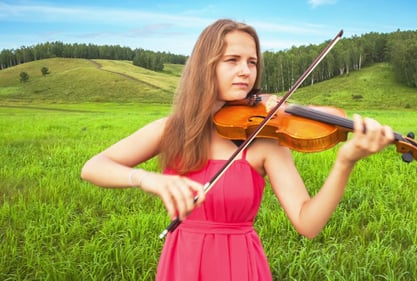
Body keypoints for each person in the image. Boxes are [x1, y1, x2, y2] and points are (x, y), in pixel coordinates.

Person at [80, 18, 395, 281]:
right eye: (232, 60)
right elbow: (93, 166)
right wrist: (147, 179)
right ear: (206, 65)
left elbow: (307, 223)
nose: (246, 71)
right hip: (182, 264)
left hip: (239, 266)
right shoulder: (171, 129)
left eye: (252, 62)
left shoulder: (264, 140)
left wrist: (345, 162)